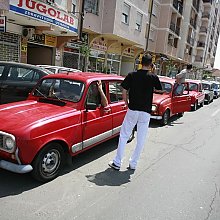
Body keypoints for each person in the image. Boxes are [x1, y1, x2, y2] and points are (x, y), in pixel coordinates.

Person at [108, 54, 163, 171]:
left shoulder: (132, 75)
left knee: (124, 135)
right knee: (141, 139)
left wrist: (126, 102)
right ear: (151, 64)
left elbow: (124, 89)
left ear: (140, 62)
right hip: (146, 113)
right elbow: (159, 89)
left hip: (133, 110)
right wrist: (154, 72)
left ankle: (117, 162)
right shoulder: (153, 77)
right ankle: (133, 164)